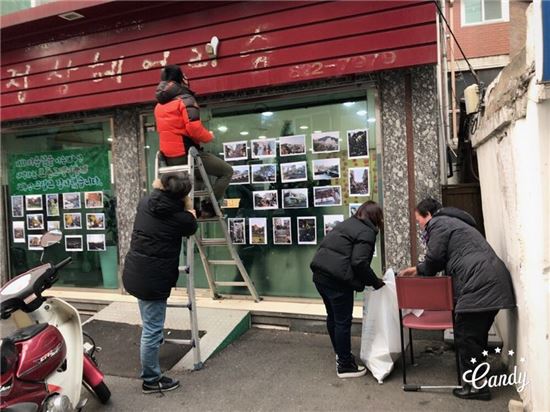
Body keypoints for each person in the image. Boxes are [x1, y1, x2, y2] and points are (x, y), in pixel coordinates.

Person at [400, 197, 516, 400]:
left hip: (481, 282)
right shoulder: (456, 223)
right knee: (475, 335)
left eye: (419, 221)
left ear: (428, 215)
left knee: (466, 334)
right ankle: (479, 379)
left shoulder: (439, 223)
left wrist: (418, 269)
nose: (420, 227)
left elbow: (435, 258)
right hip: (491, 280)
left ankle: (476, 387)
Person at [122, 172, 198, 394]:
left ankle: (152, 363)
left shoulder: (145, 202)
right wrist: (188, 206)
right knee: (152, 330)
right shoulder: (182, 218)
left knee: (149, 323)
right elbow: (192, 226)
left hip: (135, 273)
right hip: (153, 280)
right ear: (183, 194)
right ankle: (151, 380)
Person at [310, 200, 385, 378]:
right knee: (342, 321)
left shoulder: (347, 224)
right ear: (376, 218)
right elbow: (359, 262)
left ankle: (341, 353)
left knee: (333, 317)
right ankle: (344, 365)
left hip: (320, 276)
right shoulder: (367, 232)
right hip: (337, 281)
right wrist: (375, 282)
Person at [154, 64, 233, 216]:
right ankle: (210, 207)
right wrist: (209, 136)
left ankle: (195, 208)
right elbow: (193, 128)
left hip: (170, 159)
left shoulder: (159, 106)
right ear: (180, 79)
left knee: (199, 178)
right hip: (187, 154)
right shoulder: (185, 99)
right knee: (227, 171)